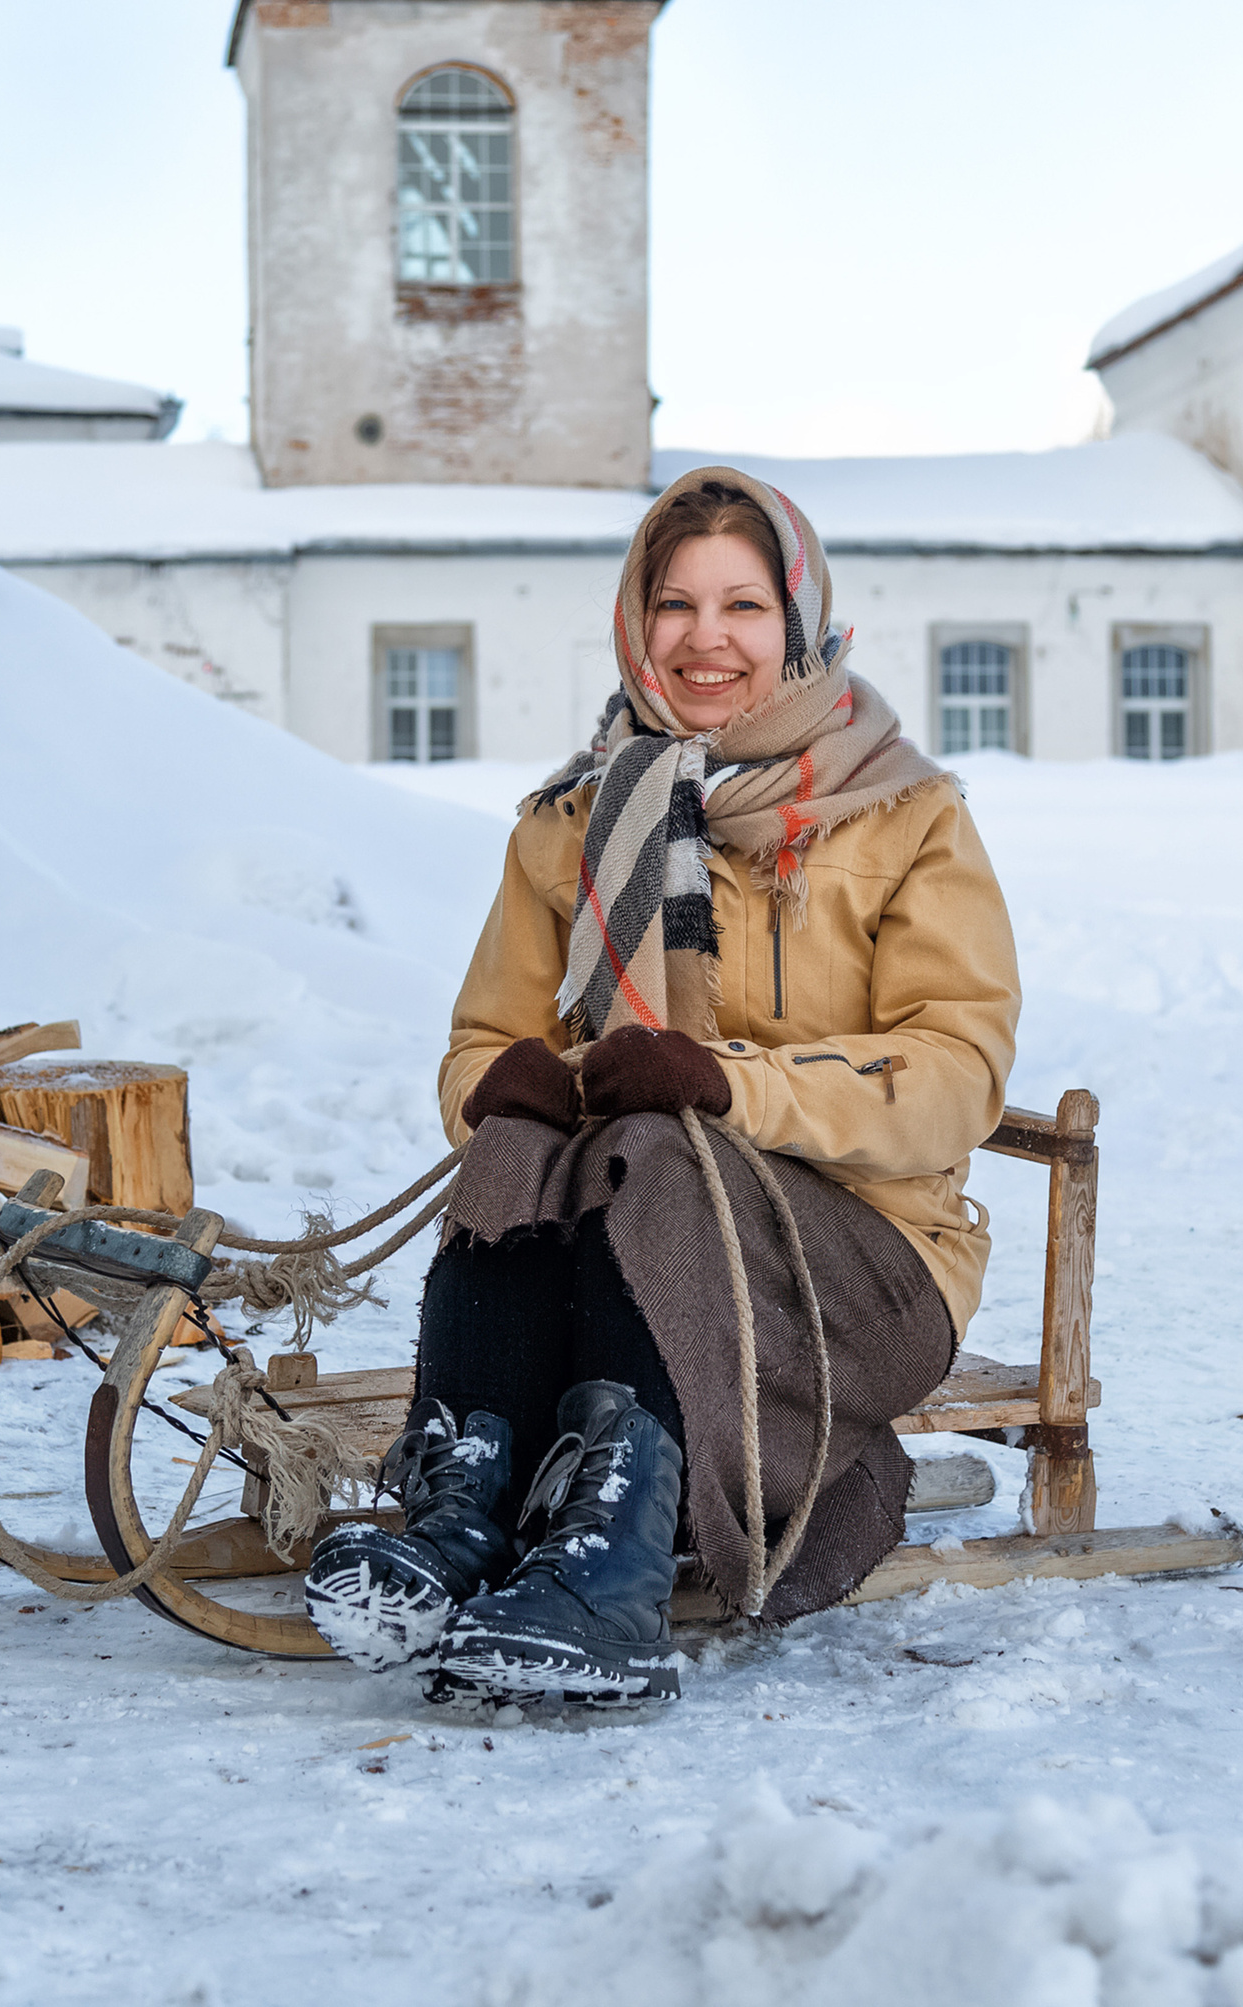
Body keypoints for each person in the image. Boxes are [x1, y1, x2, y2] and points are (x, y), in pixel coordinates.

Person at [305, 466, 1021, 1705]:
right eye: (675, 605)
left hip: (866, 1262)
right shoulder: (567, 823)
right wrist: (504, 1090)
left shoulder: (906, 816)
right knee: (525, 1146)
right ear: (635, 623)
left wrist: (732, 1089)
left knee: (662, 1146)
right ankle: (459, 1512)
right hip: (625, 1234)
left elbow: (957, 1072)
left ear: (798, 625)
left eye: (743, 607)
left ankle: (609, 1576)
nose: (705, 640)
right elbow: (481, 1045)